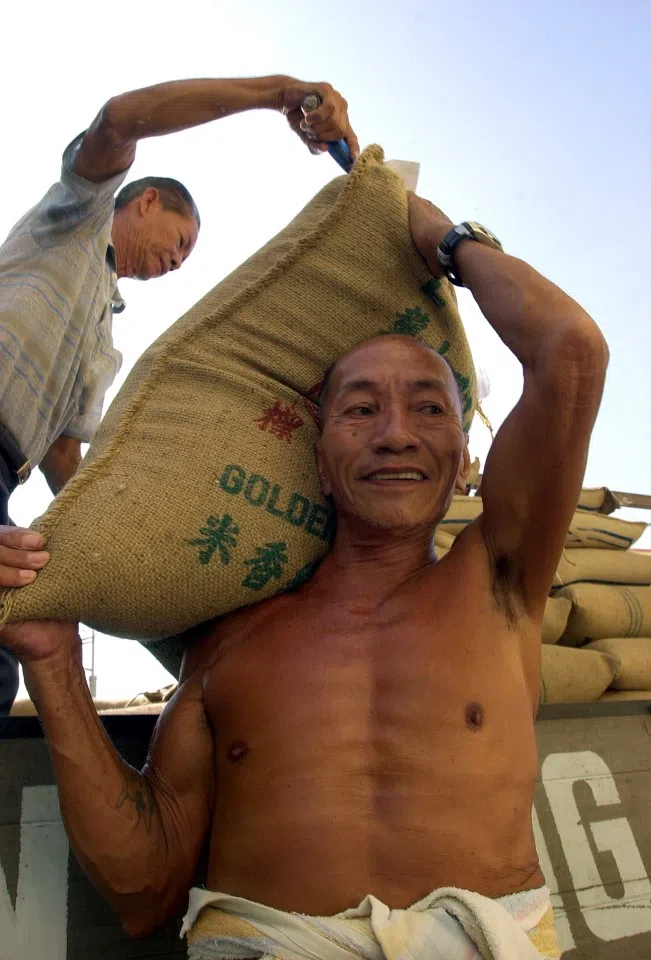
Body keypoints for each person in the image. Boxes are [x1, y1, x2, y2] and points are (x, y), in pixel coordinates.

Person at [0, 193, 608, 957]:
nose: (394, 435)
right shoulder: (229, 643)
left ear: (462, 465)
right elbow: (143, 891)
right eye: (359, 411)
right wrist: (52, 664)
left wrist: (438, 237)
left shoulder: (498, 584)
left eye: (429, 410)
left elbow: (571, 353)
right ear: (317, 464)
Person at [0, 74, 358, 714]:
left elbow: (62, 458)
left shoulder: (104, 335)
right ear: (146, 202)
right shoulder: (76, 218)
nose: (178, 262)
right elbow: (119, 118)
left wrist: (115, 538)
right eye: (181, 241)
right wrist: (277, 93)